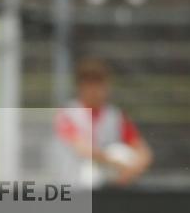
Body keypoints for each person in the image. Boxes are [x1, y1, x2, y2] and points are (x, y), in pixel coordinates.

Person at [53, 58, 152, 187]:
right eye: (89, 83)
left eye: (99, 83)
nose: (94, 90)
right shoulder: (67, 114)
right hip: (71, 187)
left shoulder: (116, 117)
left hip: (107, 188)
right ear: (80, 86)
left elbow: (143, 152)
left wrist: (132, 168)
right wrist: (112, 161)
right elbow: (81, 149)